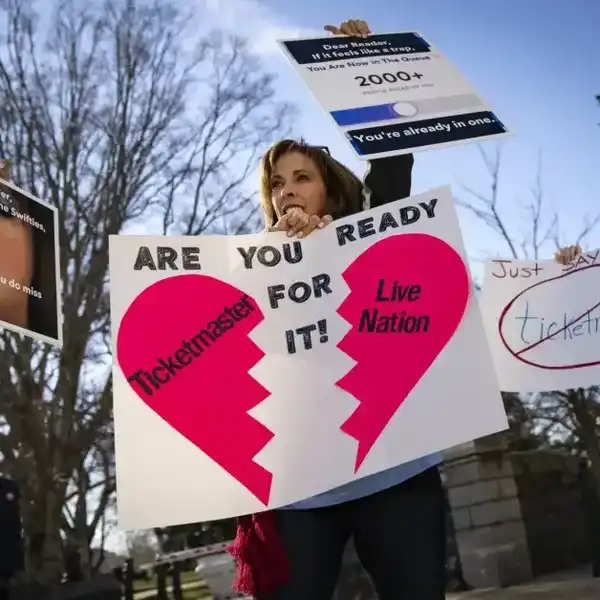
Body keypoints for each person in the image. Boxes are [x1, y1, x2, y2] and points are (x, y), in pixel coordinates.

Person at [228, 19, 447, 600]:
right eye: (276, 183)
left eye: (302, 177)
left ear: (328, 187)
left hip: (395, 470)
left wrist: (364, 69)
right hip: (303, 489)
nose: (288, 190)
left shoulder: (370, 233)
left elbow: (393, 161)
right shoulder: (247, 268)